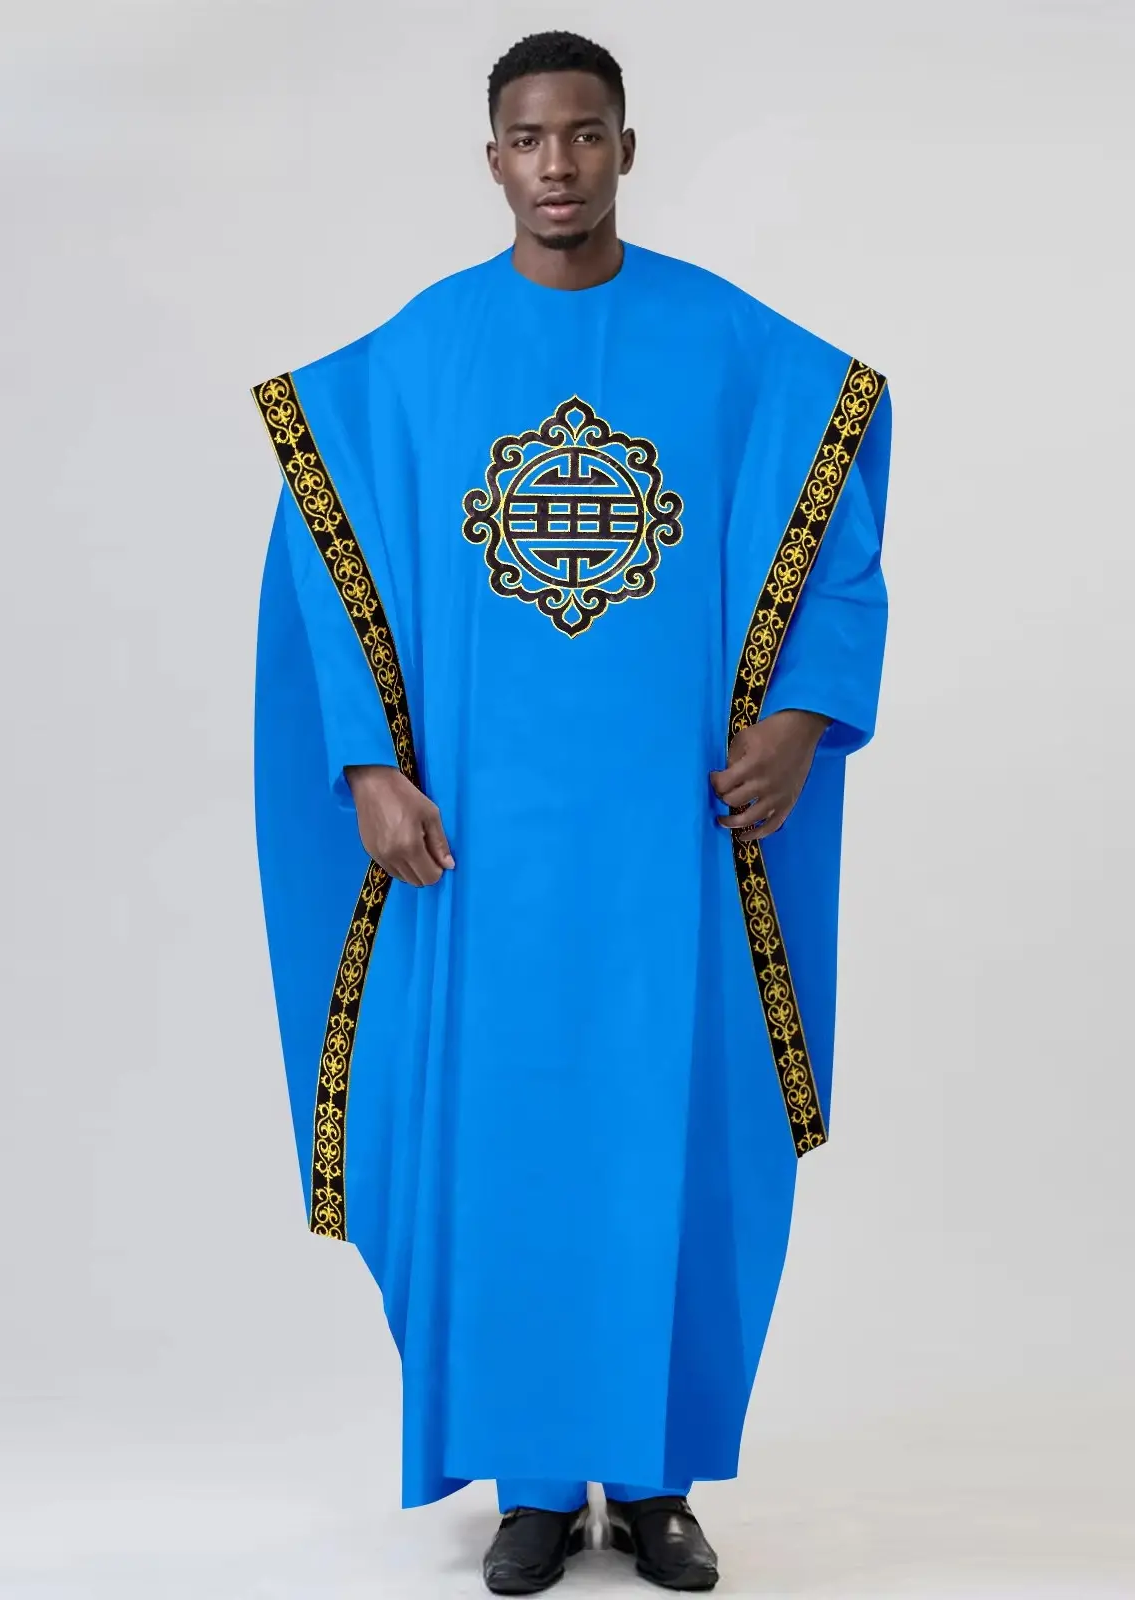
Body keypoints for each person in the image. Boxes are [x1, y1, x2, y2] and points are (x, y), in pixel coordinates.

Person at [252, 28, 890, 1596]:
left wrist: (801, 718)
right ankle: (535, 1485)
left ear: (625, 147)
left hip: (675, 854)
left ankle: (659, 1484)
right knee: (510, 1153)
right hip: (484, 861)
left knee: (676, 1144)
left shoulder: (722, 341)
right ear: (494, 158)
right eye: (530, 138)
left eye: (586, 134)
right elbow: (327, 542)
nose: (559, 164)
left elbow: (837, 492)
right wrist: (368, 767)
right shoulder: (425, 353)